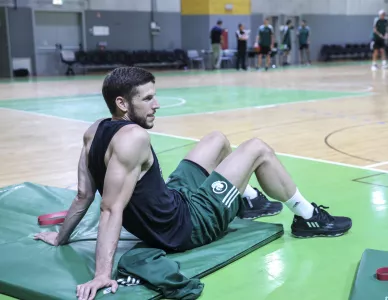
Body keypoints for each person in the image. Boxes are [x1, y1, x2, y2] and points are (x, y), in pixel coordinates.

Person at [34, 67, 352, 300]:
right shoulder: (133, 137)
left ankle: (250, 200)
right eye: (148, 98)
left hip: (174, 200)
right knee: (257, 148)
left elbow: (82, 195)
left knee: (216, 139)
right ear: (122, 103)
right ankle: (307, 217)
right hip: (188, 226)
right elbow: (109, 208)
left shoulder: (95, 130)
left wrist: (61, 238)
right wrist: (102, 275)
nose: (156, 104)